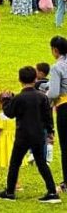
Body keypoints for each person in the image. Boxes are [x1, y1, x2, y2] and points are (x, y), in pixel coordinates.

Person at [0, 66, 61, 203]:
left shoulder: (19, 98)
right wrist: (50, 132)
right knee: (41, 163)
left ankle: (10, 192)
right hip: (38, 135)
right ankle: (52, 192)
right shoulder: (42, 97)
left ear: (20, 80)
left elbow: (9, 113)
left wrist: (6, 100)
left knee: (15, 163)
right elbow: (48, 117)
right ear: (36, 79)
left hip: (23, 135)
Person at [47, 36, 67, 192]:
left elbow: (53, 93)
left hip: (64, 107)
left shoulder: (56, 67)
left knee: (66, 146)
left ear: (55, 50)